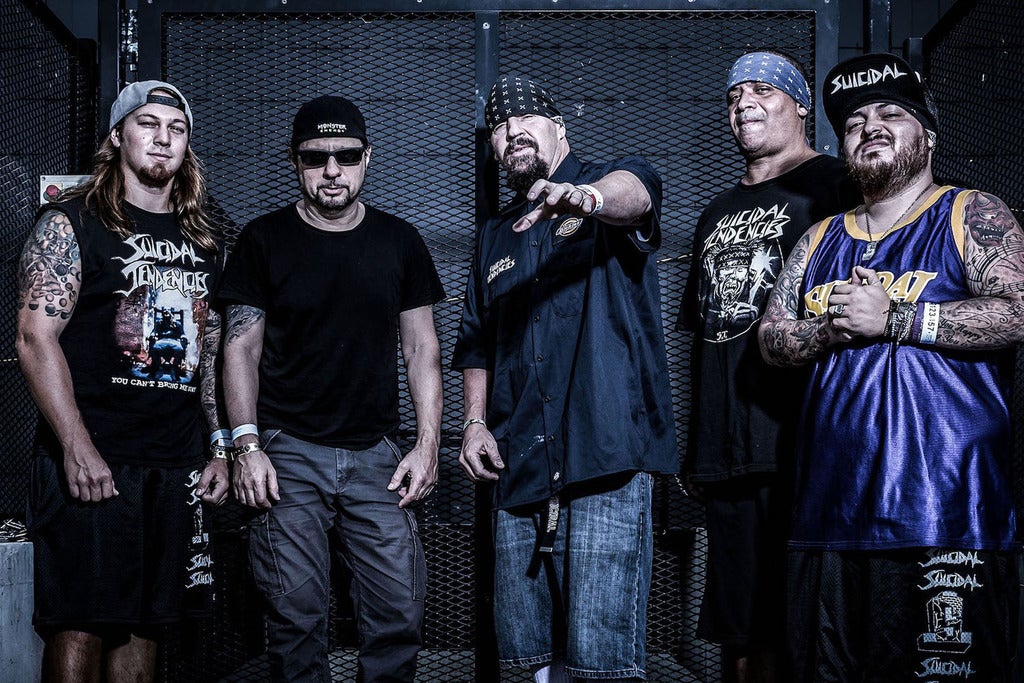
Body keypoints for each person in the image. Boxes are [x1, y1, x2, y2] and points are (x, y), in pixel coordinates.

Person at [758, 53, 1022, 681]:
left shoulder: (971, 212)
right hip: (830, 517)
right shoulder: (819, 239)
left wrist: (897, 318)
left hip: (949, 516)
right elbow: (770, 339)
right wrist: (829, 328)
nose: (870, 127)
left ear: (928, 135)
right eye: (854, 123)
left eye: (891, 114)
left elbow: (1017, 311)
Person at [454, 75, 677, 682]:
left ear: (560, 130)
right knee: (527, 661)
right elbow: (476, 340)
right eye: (500, 126)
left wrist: (585, 198)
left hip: (605, 457)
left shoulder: (609, 183)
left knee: (601, 663)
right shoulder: (494, 236)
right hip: (520, 463)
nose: (512, 131)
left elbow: (636, 195)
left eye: (527, 118)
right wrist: (473, 423)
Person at [219, 95, 444, 683]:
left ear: (367, 157)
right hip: (287, 455)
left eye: (346, 155)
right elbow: (240, 348)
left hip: (376, 456)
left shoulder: (399, 241)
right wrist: (246, 446)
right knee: (296, 620)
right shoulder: (264, 239)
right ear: (295, 161)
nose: (332, 170)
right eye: (316, 157)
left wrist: (427, 446)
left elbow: (422, 349)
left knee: (398, 612)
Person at [15, 80, 229, 682]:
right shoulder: (72, 222)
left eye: (176, 129)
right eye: (147, 124)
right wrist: (77, 446)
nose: (163, 139)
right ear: (117, 137)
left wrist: (219, 446)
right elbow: (34, 339)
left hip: (174, 460)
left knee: (148, 624)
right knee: (79, 623)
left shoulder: (205, 237)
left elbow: (208, 353)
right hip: (94, 458)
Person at [676, 51, 859, 682]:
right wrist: (699, 444)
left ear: (800, 105)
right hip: (727, 450)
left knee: (811, 623)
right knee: (742, 630)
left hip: (806, 443)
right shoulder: (715, 211)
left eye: (762, 90)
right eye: (734, 96)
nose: (744, 104)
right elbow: (707, 333)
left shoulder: (837, 185)